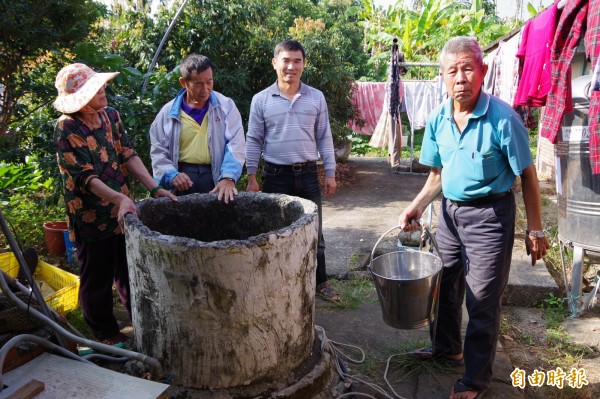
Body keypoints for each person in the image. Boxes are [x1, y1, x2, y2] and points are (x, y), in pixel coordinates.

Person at [398, 37, 550, 399]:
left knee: (481, 299)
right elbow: (437, 174)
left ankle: (477, 378)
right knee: (443, 285)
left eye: (468, 68)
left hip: (491, 217)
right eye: (453, 70)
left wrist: (536, 229)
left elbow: (527, 176)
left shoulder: (503, 118)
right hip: (450, 215)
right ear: (443, 77)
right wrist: (417, 204)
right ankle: (447, 347)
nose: (461, 77)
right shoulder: (438, 118)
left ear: (482, 71)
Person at [54, 63, 177, 345]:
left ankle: (141, 322)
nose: (103, 91)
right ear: (80, 99)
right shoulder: (67, 127)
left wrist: (154, 187)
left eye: (101, 86)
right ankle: (105, 333)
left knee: (128, 268)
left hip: (123, 211)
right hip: (90, 214)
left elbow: (127, 154)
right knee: (97, 276)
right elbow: (85, 178)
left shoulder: (110, 116)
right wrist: (120, 198)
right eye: (95, 89)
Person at [245, 39, 339, 302]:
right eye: (286, 60)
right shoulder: (261, 100)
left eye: (297, 61)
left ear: (304, 64)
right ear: (275, 63)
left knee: (315, 232)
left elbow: (324, 137)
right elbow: (253, 139)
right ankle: (278, 283)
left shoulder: (316, 97)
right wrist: (252, 176)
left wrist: (329, 173)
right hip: (276, 176)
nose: (291, 66)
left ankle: (320, 283)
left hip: (308, 175)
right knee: (275, 231)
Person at [149, 54, 245, 203]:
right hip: (182, 179)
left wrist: (228, 177)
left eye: (209, 81)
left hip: (215, 177)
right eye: (199, 84)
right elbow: (158, 152)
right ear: (184, 82)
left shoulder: (226, 106)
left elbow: (236, 145)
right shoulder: (167, 114)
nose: (206, 89)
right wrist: (171, 174)